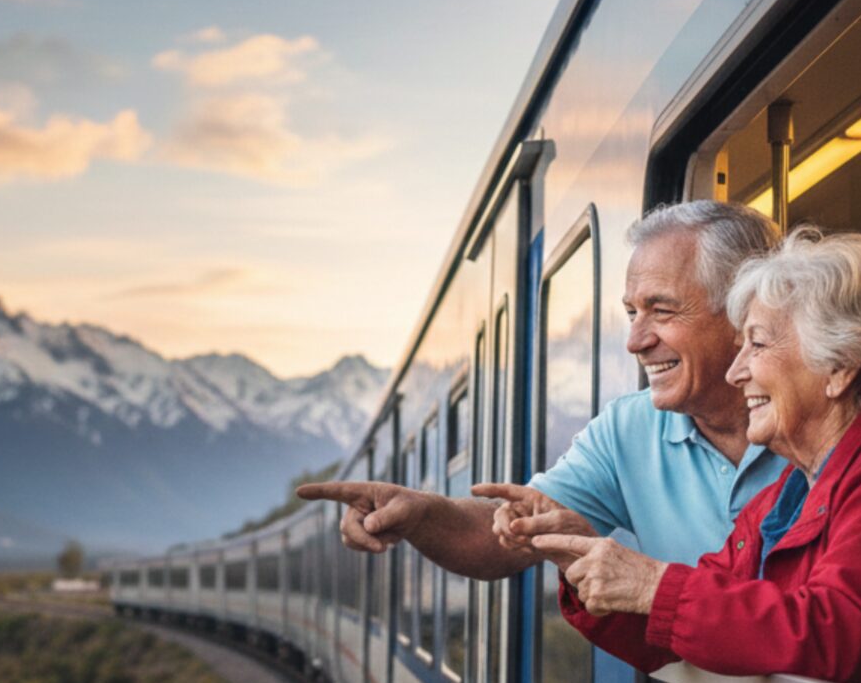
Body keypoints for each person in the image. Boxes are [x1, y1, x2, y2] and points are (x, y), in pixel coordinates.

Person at [298, 200, 786, 577]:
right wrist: (420, 514)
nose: (636, 341)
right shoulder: (627, 429)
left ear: (745, 312)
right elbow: (503, 534)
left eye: (662, 311)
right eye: (632, 313)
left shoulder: (830, 419)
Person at [530, 229, 861, 683]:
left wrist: (651, 585)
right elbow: (681, 632)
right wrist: (587, 568)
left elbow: (844, 634)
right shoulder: (786, 497)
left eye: (756, 346)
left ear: (839, 367)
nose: (737, 373)